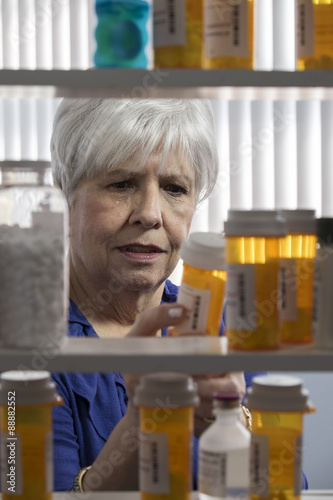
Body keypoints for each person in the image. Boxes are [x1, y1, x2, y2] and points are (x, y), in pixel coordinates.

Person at [50, 97, 307, 492]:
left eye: (174, 188)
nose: (150, 213)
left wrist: (226, 419)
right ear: (66, 191)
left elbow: (290, 488)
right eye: (121, 184)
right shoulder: (24, 342)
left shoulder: (218, 324)